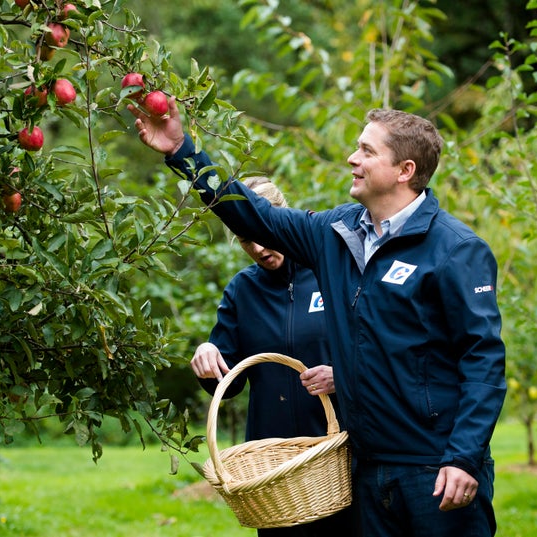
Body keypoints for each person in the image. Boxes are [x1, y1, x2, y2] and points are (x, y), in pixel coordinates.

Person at [129, 98, 507, 537]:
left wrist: (463, 457)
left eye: (367, 151)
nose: (353, 158)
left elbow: (483, 362)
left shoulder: (456, 250)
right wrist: (183, 152)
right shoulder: (335, 234)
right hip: (366, 469)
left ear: (404, 170)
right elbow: (254, 213)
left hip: (435, 469)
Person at [190, 175, 353, 537]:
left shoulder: (330, 274)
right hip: (273, 470)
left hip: (336, 457)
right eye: (248, 240)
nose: (261, 248)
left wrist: (340, 375)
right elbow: (227, 382)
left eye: (266, 234)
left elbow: (371, 349)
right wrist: (206, 356)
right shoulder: (242, 290)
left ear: (283, 220)